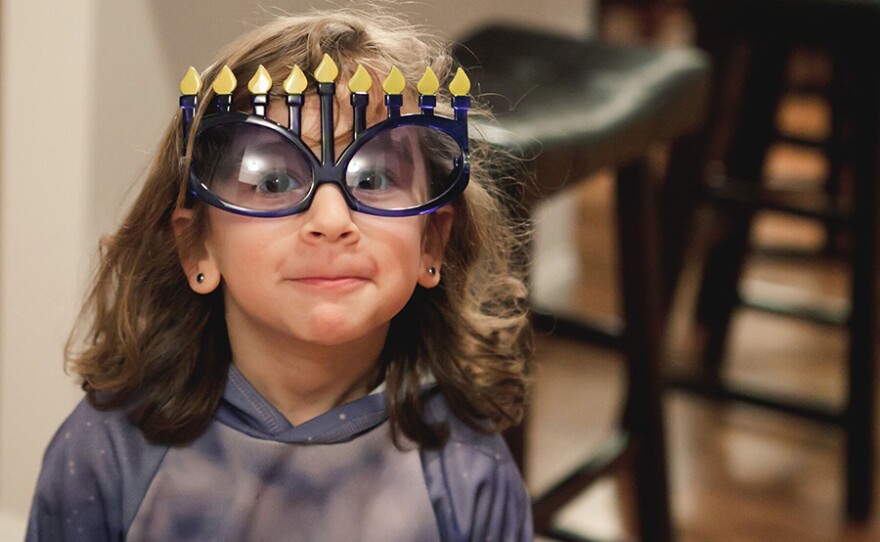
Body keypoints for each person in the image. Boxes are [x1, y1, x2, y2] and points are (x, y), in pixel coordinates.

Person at [26, 7, 533, 542]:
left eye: (375, 176)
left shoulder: (468, 474)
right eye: (271, 182)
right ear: (198, 246)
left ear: (432, 240)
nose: (332, 221)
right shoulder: (105, 455)